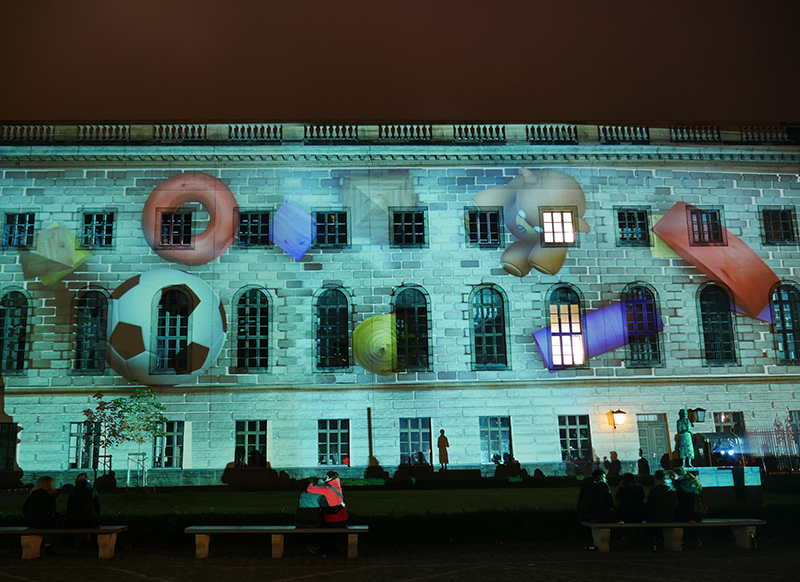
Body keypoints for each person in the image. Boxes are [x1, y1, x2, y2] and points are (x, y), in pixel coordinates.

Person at [307, 471, 348, 555]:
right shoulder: (338, 488)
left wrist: (312, 483)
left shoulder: (327, 489)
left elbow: (309, 489)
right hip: (344, 519)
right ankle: (332, 547)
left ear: (330, 478)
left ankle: (321, 547)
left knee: (321, 527)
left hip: (331, 521)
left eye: (326, 477)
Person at [23, 476, 58, 555]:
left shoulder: (33, 494)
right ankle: (48, 545)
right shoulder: (49, 496)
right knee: (49, 526)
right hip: (42, 521)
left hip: (30, 520)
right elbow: (52, 511)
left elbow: (24, 509)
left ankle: (40, 546)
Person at [66, 473, 101, 554]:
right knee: (92, 527)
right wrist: (98, 519)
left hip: (75, 520)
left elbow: (69, 507)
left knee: (79, 529)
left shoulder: (72, 492)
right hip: (90, 519)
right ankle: (93, 546)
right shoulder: (93, 491)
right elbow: (97, 506)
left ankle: (77, 546)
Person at [294, 477, 329, 553]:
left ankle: (308, 544)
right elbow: (326, 508)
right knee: (322, 525)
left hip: (299, 520)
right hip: (313, 521)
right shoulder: (320, 496)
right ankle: (315, 546)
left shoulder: (302, 493)